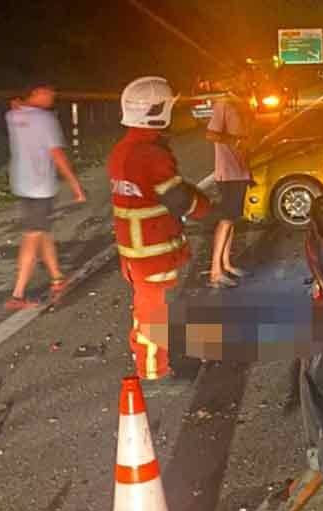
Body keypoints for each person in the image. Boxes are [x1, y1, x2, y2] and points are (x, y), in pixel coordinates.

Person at [109, 76, 213, 382]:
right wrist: (209, 209)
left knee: (145, 309)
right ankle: (154, 370)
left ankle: (148, 358)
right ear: (157, 111)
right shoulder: (151, 154)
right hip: (153, 250)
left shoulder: (122, 151)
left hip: (133, 251)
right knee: (154, 315)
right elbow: (179, 198)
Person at [4, 83, 86, 310]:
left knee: (43, 232)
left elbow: (16, 107)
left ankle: (57, 278)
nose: (53, 96)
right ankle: (18, 295)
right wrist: (75, 184)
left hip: (22, 184)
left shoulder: (13, 115)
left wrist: (21, 104)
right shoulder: (45, 119)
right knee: (33, 236)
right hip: (39, 186)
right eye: (49, 91)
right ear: (36, 91)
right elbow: (57, 154)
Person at [205, 73, 254, 289]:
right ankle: (216, 271)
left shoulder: (240, 103)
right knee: (225, 219)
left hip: (240, 170)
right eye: (244, 79)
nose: (247, 82)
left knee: (232, 218)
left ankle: (226, 264)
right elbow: (211, 134)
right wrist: (234, 140)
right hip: (228, 171)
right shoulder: (223, 104)